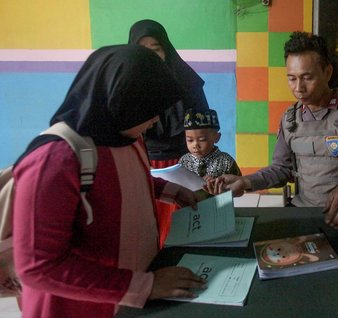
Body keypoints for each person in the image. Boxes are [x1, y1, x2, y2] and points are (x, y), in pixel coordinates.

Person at [12, 45, 206, 318]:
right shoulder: (54, 161)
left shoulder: (127, 137)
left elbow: (123, 186)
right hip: (76, 307)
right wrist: (146, 285)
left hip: (129, 299)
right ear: (120, 101)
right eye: (148, 110)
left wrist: (171, 191)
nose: (155, 119)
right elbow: (38, 267)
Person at [206, 32, 338, 229]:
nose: (298, 88)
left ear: (327, 72)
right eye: (291, 78)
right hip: (304, 214)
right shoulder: (290, 119)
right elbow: (281, 169)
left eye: (307, 78)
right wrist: (245, 182)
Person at [128, 19, 210, 244]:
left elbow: (206, 125)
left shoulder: (187, 80)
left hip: (186, 161)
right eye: (143, 51)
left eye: (156, 49)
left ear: (166, 50)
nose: (151, 57)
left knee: (186, 224)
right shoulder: (127, 85)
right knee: (150, 227)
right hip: (146, 165)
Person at [179, 108, 241, 179]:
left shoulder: (226, 161)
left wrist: (218, 184)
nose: (195, 145)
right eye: (190, 140)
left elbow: (239, 185)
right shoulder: (184, 161)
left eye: (202, 140)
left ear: (217, 137)